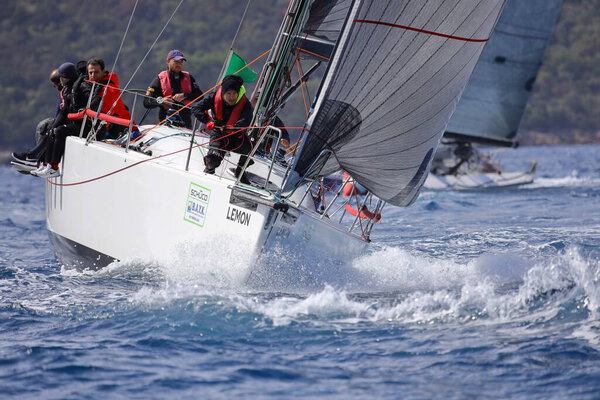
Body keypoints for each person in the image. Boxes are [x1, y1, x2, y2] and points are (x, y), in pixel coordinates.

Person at [30, 62, 101, 178]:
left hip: (87, 125)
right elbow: (64, 112)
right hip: (77, 122)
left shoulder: (81, 87)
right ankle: (46, 165)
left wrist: (85, 110)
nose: (60, 80)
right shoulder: (69, 89)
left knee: (59, 131)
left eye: (61, 77)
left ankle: (53, 167)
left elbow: (96, 99)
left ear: (67, 77)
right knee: (52, 130)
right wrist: (53, 126)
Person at [191, 74, 254, 184]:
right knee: (212, 160)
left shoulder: (245, 103)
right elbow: (196, 108)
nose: (232, 97)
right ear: (223, 93)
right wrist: (208, 121)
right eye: (228, 93)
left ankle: (240, 171)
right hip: (219, 134)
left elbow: (246, 119)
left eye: (234, 93)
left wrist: (235, 127)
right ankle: (209, 171)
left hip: (235, 135)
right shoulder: (214, 97)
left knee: (250, 148)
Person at [11, 69, 66, 168]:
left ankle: (36, 159)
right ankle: (36, 160)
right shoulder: (64, 93)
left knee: (50, 128)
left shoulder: (68, 93)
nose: (54, 86)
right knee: (45, 126)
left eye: (55, 83)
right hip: (61, 121)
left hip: (66, 124)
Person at [143, 49, 202, 128]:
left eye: (181, 62)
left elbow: (200, 96)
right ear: (168, 61)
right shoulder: (160, 79)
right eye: (176, 62)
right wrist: (161, 101)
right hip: (166, 122)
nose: (179, 64)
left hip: (185, 122)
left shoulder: (189, 78)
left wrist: (185, 95)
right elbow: (147, 102)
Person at [86, 58, 133, 139]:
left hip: (109, 127)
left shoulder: (108, 89)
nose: (93, 75)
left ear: (103, 72)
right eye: (90, 72)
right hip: (95, 124)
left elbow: (116, 110)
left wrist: (133, 128)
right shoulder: (88, 84)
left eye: (96, 72)